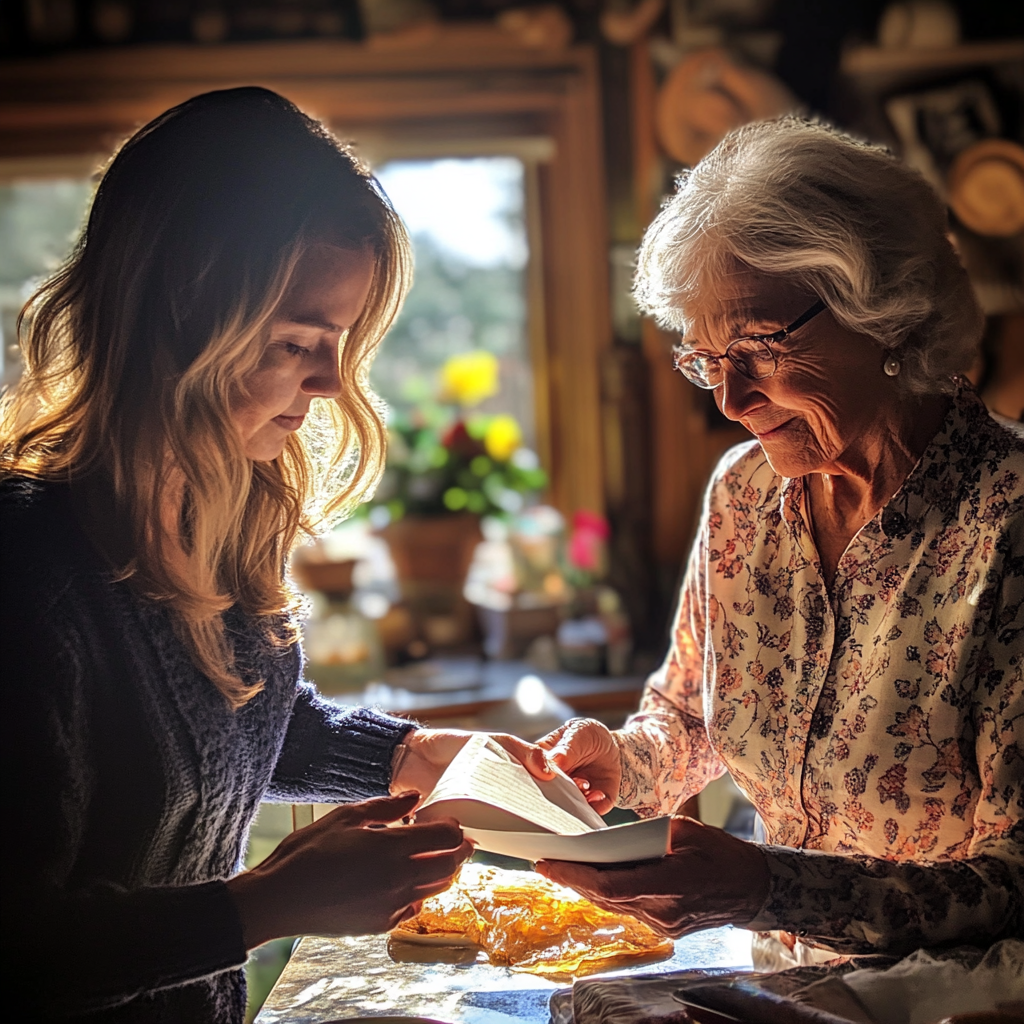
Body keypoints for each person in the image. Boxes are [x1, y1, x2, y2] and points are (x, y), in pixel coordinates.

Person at [0, 88, 546, 1022]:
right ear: (174, 321)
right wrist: (269, 903)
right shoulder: (29, 570)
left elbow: (238, 730)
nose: (334, 383)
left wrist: (415, 755)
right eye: (298, 341)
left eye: (340, 343)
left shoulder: (227, 514)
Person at [533, 117, 1023, 967]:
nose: (730, 399)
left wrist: (766, 889)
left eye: (757, 346)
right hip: (779, 997)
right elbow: (691, 718)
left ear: (886, 314)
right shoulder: (744, 495)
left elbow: (1014, 881)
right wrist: (618, 758)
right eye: (704, 357)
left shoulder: (1008, 523)